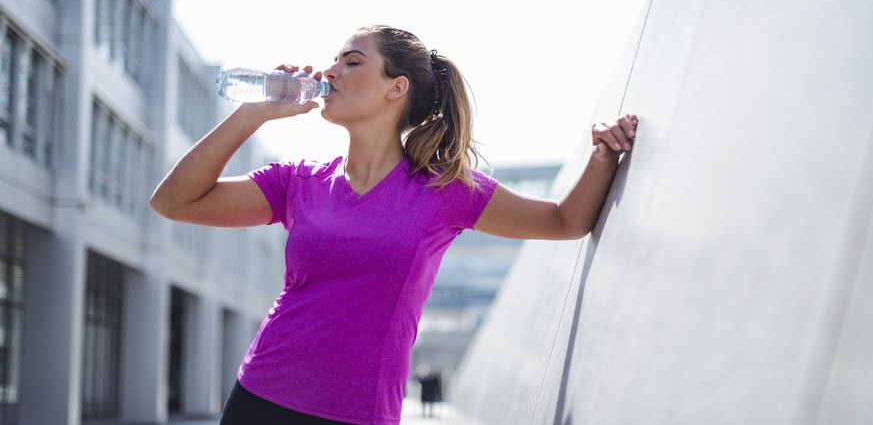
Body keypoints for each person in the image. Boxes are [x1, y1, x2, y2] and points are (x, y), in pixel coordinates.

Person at [150, 25, 638, 425]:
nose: (330, 71)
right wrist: (252, 115)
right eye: (335, 60)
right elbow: (174, 202)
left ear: (396, 87)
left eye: (351, 61)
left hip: (361, 415)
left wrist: (603, 155)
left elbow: (564, 221)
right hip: (262, 396)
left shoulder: (445, 191)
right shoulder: (296, 182)